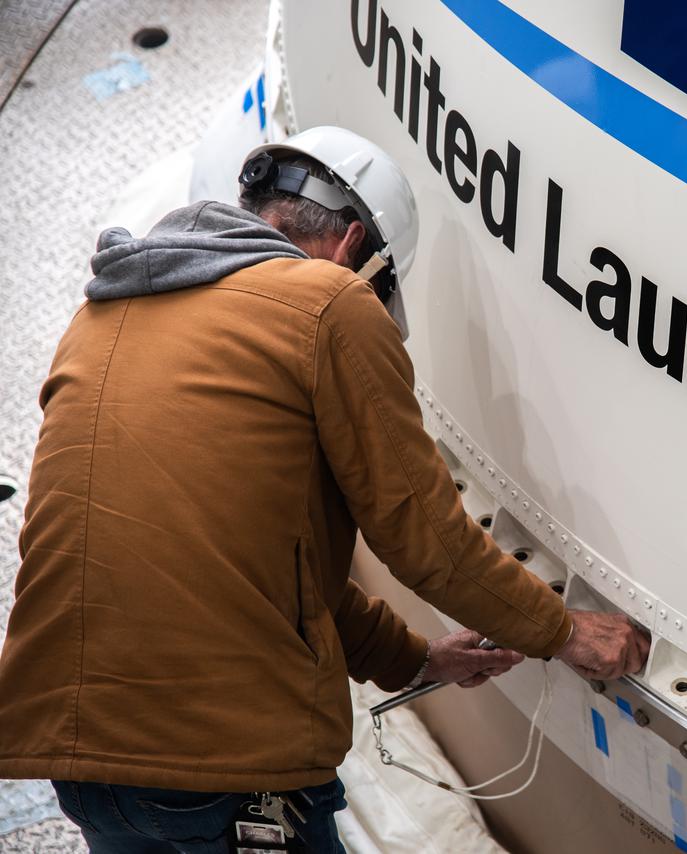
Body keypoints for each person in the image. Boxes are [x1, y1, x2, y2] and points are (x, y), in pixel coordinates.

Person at [0, 126, 650, 853]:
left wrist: (416, 658)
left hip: (81, 761)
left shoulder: (99, 319)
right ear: (350, 249)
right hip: (225, 764)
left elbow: (244, 565)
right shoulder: (329, 304)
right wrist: (565, 633)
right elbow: (426, 538)